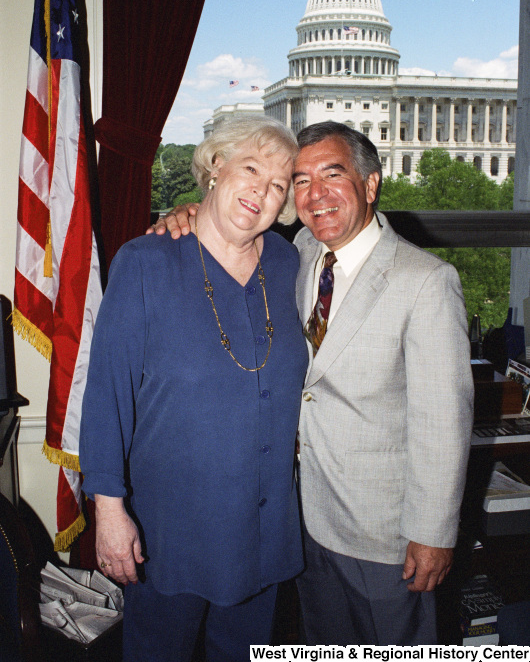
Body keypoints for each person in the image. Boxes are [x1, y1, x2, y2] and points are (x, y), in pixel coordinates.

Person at [157, 121, 474, 646]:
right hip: (300, 522)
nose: (315, 194)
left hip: (386, 534)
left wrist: (433, 534)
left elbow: (443, 422)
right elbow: (228, 232)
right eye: (299, 181)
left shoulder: (426, 282)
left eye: (333, 174)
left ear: (371, 184)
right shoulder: (295, 252)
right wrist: (189, 213)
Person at [79, 116, 309, 662]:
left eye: (278, 185)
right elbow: (106, 398)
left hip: (264, 529)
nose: (261, 190)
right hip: (171, 535)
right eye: (251, 168)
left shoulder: (287, 262)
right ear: (215, 167)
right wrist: (110, 514)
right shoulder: (145, 263)